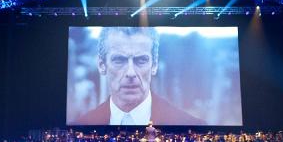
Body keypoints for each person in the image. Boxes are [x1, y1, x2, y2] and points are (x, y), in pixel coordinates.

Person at [73, 28, 206, 125]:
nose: (131, 73)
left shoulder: (187, 123)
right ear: (102, 65)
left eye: (141, 60)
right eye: (119, 60)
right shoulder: (80, 125)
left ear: (154, 65)